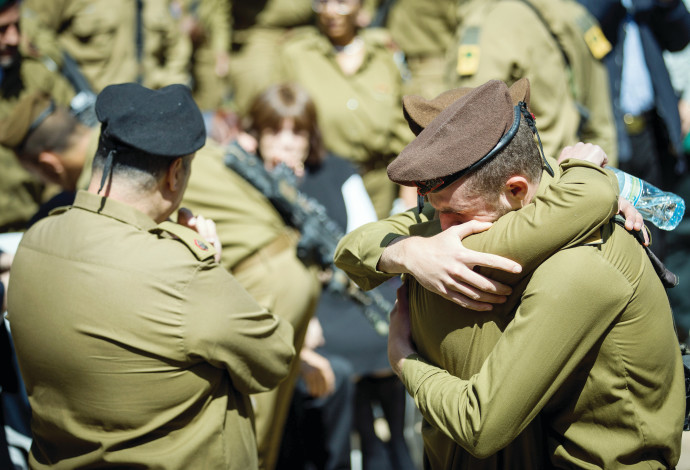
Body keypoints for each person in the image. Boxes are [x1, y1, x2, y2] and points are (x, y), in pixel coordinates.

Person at [338, 79, 685, 468]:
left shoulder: (580, 264)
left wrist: (405, 362)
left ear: (516, 190)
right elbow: (351, 248)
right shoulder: (468, 202)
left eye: (453, 213)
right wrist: (408, 251)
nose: (443, 229)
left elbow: (480, 424)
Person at [6, 82, 295, 469]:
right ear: (175, 173)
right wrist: (208, 265)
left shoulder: (34, 242)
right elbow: (273, 357)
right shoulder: (182, 272)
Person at [245, 82, 417, 470]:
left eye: (298, 132)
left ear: (311, 136)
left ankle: (392, 449)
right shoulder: (248, 184)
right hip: (306, 305)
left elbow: (365, 236)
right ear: (257, 134)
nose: (287, 143)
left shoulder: (336, 171)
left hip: (350, 293)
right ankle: (369, 446)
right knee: (344, 354)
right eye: (276, 131)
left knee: (388, 332)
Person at [279, 0, 416, 218]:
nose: (331, 12)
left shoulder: (385, 54)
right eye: (322, 2)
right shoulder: (296, 55)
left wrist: (408, 190)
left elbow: (404, 126)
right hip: (325, 181)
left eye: (342, 2)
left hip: (380, 182)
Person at [447, 0, 617, 164]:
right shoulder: (578, 15)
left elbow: (470, 130)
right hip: (585, 170)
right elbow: (601, 126)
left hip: (530, 183)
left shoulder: (489, 26)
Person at [0, 0, 76, 233]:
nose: (13, 39)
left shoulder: (36, 77)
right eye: (2, 30)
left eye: (17, 26)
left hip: (35, 227)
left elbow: (75, 145)